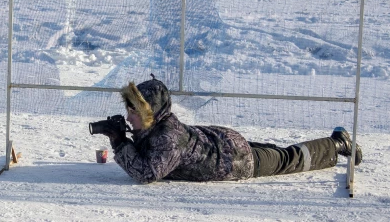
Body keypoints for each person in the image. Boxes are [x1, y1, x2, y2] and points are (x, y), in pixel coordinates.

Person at [97, 75, 362, 184]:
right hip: (221, 141)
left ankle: (337, 143)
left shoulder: (168, 136)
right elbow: (147, 153)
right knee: (276, 152)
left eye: (134, 112)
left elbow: (146, 173)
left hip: (234, 159)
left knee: (288, 159)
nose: (129, 116)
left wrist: (120, 141)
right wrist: (124, 136)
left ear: (151, 112)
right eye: (129, 109)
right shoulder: (160, 125)